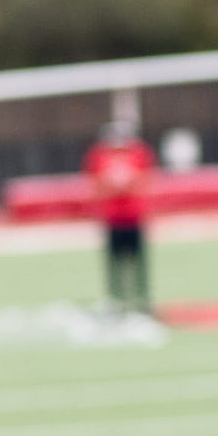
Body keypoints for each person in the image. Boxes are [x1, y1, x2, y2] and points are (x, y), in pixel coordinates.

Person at [83, 107, 157, 309]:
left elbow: (143, 181)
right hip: (112, 218)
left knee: (138, 262)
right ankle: (116, 299)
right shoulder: (99, 156)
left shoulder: (139, 153)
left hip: (134, 217)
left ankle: (142, 298)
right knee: (113, 264)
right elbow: (98, 184)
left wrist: (123, 183)